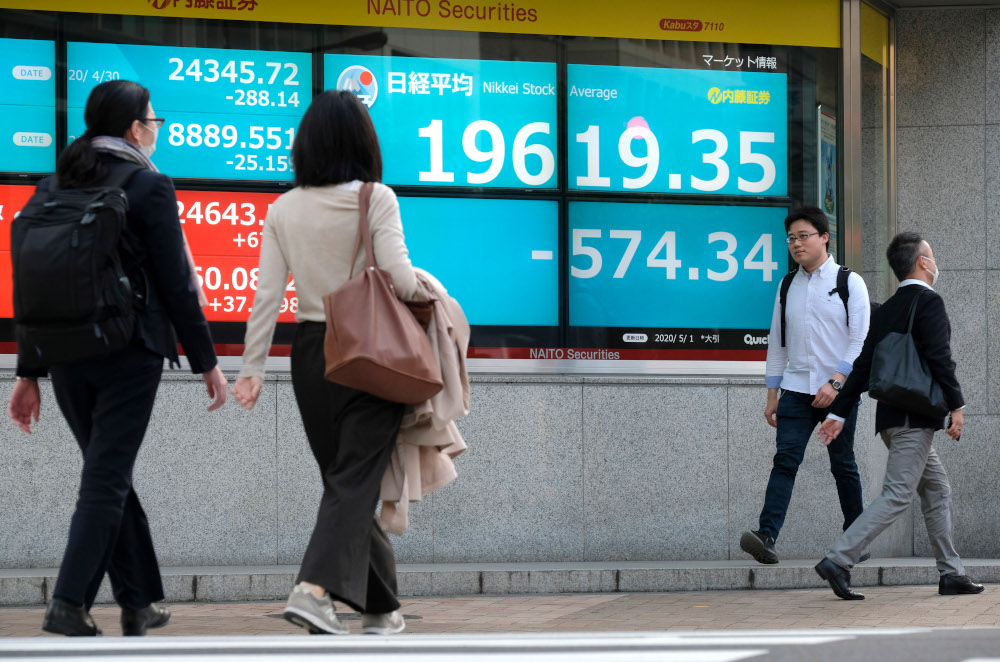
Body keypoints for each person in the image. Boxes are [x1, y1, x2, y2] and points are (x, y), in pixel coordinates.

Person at [6, 80, 228, 636]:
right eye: (153, 120)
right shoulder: (147, 184)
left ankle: (139, 600)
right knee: (106, 477)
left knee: (109, 473)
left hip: (63, 355)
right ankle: (68, 602)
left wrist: (28, 372)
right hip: (129, 352)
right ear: (135, 128)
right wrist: (207, 360)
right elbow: (177, 283)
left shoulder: (53, 184)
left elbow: (31, 283)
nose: (157, 128)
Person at [231, 90, 419, 636]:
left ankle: (381, 607)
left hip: (311, 354)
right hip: (370, 349)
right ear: (363, 140)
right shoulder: (375, 197)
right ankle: (313, 591)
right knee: (353, 481)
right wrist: (428, 292)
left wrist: (252, 370)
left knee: (345, 481)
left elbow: (266, 297)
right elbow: (401, 279)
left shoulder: (284, 207)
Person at [815, 232, 982, 600]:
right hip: (914, 418)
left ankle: (951, 573)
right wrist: (957, 406)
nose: (935, 261)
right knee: (897, 494)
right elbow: (940, 357)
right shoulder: (928, 302)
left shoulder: (888, 307)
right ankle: (838, 559)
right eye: (932, 255)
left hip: (892, 419)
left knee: (937, 489)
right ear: (923, 262)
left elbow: (861, 368)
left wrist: (839, 413)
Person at [740, 207, 870, 565]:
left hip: (838, 392)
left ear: (824, 237)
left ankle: (855, 539)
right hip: (795, 391)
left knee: (843, 464)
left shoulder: (849, 282)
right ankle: (766, 536)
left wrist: (837, 381)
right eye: (791, 238)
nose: (796, 244)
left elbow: (860, 340)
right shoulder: (786, 285)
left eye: (803, 236)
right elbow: (777, 343)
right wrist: (772, 395)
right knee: (785, 460)